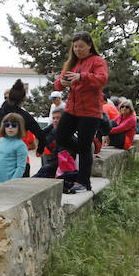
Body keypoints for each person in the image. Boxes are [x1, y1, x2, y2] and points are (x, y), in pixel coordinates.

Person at [54, 32, 109, 192]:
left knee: (84, 146)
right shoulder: (72, 62)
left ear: (89, 46)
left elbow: (102, 79)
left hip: (90, 112)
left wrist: (81, 76)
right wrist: (62, 83)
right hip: (71, 109)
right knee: (60, 136)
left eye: (81, 46)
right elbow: (58, 84)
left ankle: (83, 182)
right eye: (75, 46)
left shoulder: (98, 61)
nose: (78, 49)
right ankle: (86, 150)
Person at [0, 113, 28, 186]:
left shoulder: (21, 145)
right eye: (7, 125)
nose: (10, 127)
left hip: (9, 184)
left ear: (19, 127)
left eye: (14, 125)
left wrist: (12, 183)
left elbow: (21, 168)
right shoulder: (1, 140)